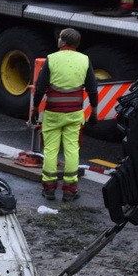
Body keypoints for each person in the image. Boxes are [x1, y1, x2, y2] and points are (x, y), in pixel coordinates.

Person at [32, 28, 99, 202]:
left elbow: (40, 88)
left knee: (51, 149)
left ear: (62, 41)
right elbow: (92, 88)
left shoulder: (52, 59)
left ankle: (48, 189)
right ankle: (70, 190)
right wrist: (94, 111)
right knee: (72, 149)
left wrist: (34, 110)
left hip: (53, 112)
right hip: (74, 113)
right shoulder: (85, 60)